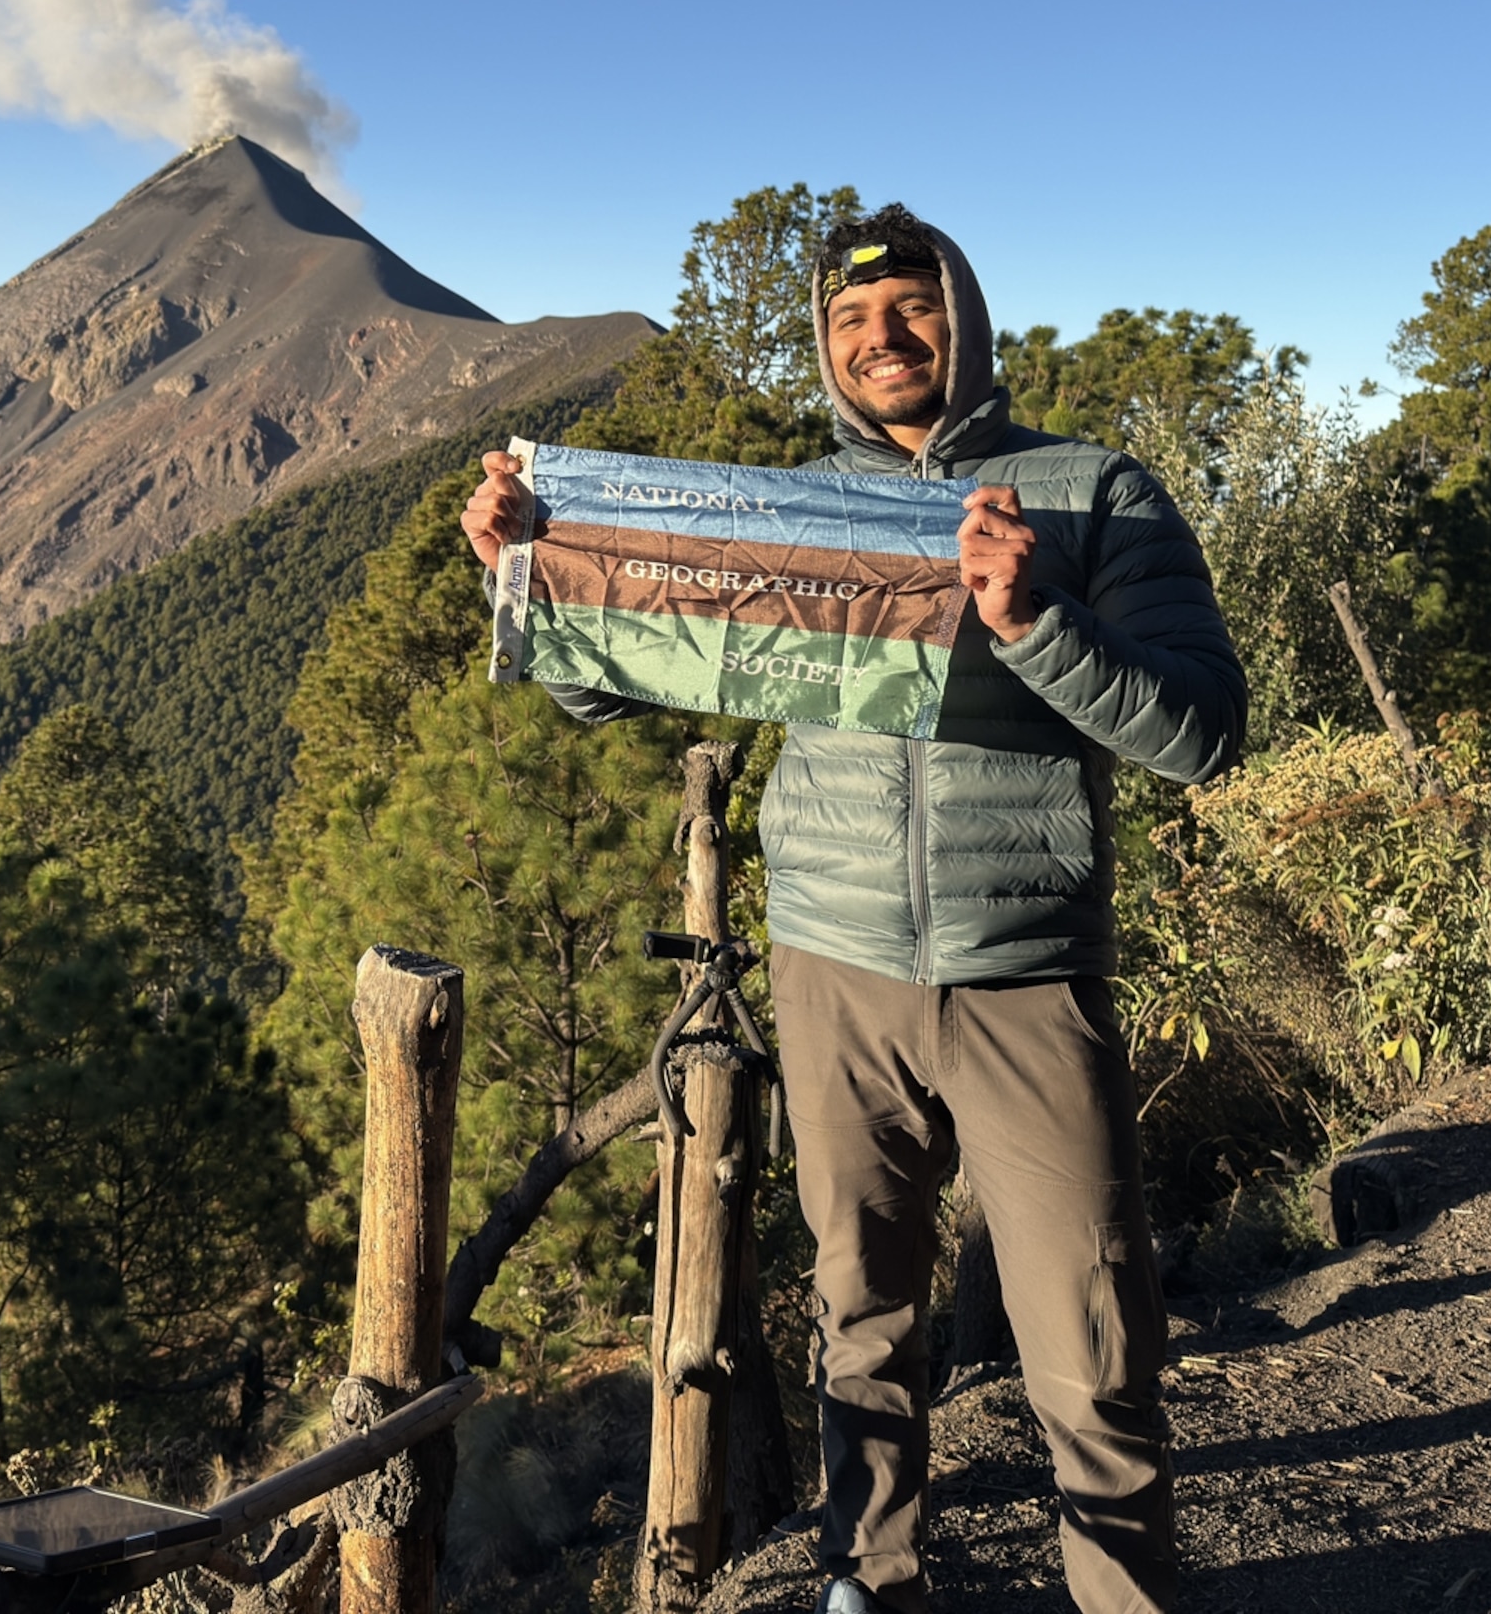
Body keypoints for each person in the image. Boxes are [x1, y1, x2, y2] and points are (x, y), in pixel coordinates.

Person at [460, 204, 1245, 1614]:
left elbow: (1200, 730)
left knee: (1092, 1339)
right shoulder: (790, 517)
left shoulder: (1090, 493)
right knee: (861, 1319)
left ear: (966, 315)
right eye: (848, 321)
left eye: (911, 308)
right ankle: (864, 1585)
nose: (881, 338)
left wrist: (1034, 624)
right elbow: (616, 670)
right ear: (826, 349)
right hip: (832, 969)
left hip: (1026, 973)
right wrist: (531, 568)